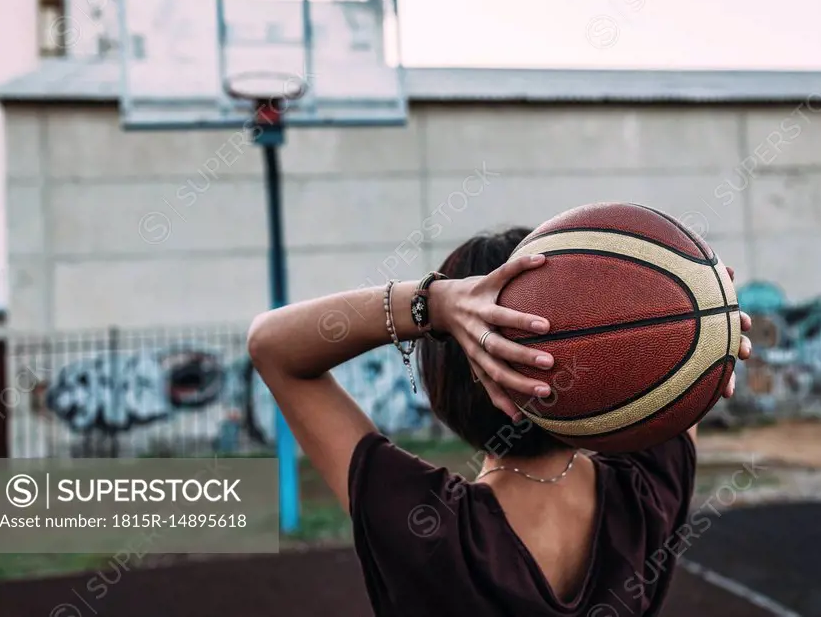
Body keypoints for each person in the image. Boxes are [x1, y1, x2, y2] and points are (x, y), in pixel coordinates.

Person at [247, 227, 752, 617]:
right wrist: (710, 318)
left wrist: (433, 305)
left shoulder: (425, 528)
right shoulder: (646, 496)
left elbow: (271, 345)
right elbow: (680, 352)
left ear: (449, 377)